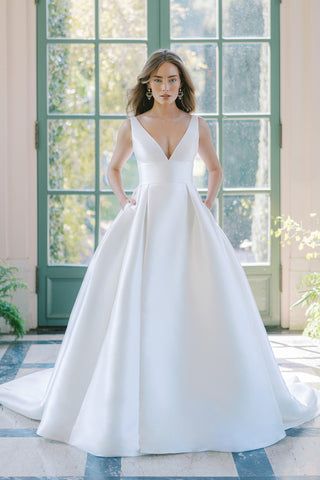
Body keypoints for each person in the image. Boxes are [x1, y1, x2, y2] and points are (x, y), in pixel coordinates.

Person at [0, 49, 319, 458]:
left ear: (182, 85)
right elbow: (113, 168)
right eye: (159, 80)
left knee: (199, 301)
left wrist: (206, 203)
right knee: (138, 301)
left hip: (187, 218)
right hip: (145, 219)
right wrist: (123, 201)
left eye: (173, 80)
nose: (167, 87)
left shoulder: (197, 125)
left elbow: (216, 169)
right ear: (147, 85)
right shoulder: (132, 126)